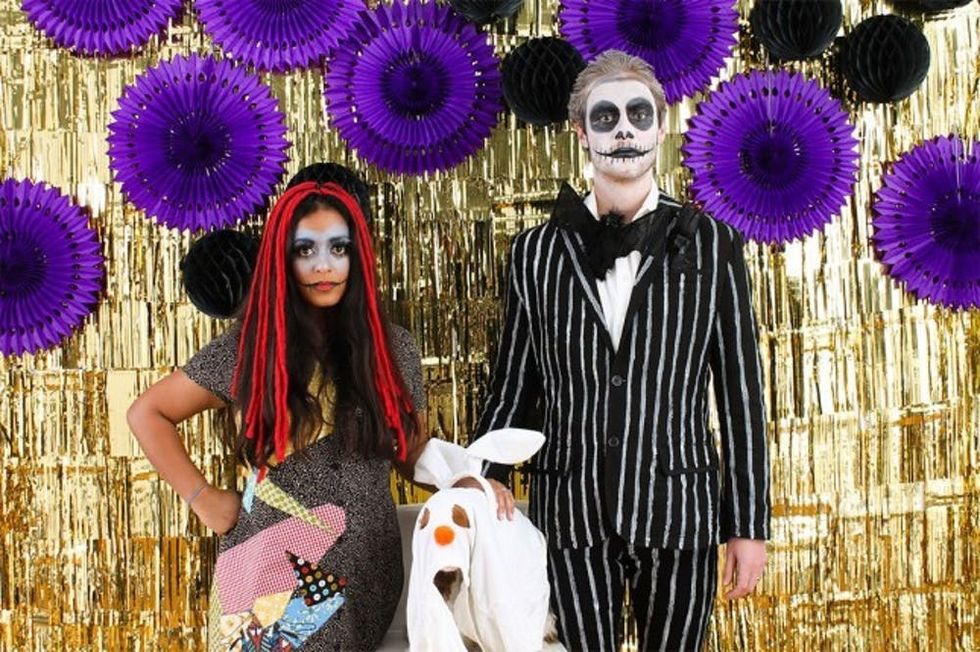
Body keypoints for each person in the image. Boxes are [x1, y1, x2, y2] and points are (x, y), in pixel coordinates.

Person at [473, 50, 771, 651]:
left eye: (639, 114)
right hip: (570, 509)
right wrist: (483, 480)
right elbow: (514, 382)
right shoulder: (535, 253)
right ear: (581, 132)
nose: (625, 130)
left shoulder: (712, 244)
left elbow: (740, 395)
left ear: (661, 126)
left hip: (679, 506)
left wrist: (747, 525)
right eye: (605, 117)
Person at [127, 179, 428, 651]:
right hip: (268, 569)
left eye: (339, 248)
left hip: (366, 568)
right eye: (305, 250)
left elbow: (414, 455)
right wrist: (202, 497)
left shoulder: (395, 349)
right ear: (282, 259)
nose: (324, 265)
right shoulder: (251, 347)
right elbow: (148, 412)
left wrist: (468, 480)